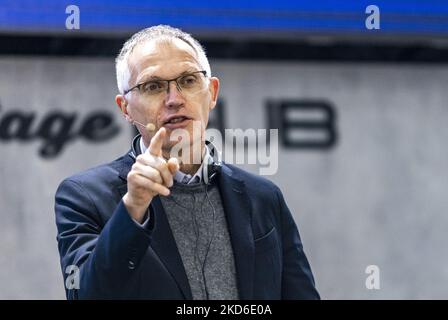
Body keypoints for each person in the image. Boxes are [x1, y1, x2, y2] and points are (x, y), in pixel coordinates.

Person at [55, 25, 319, 300]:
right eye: (153, 86)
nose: (174, 99)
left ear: (212, 92)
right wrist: (133, 210)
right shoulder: (84, 196)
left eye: (189, 80)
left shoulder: (263, 197)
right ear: (126, 108)